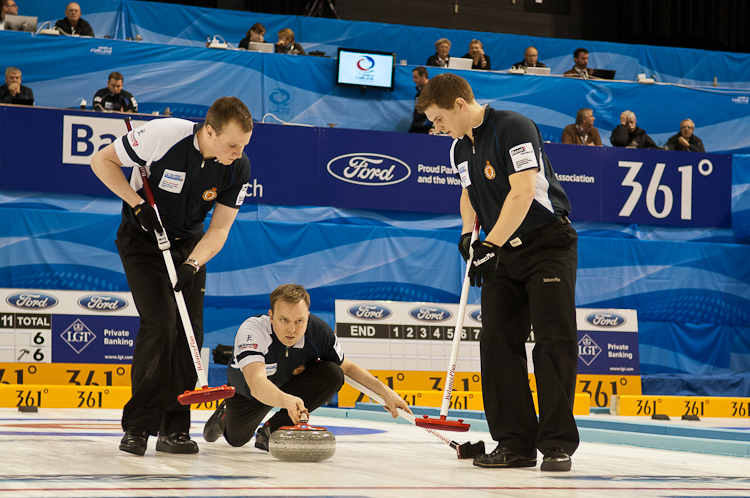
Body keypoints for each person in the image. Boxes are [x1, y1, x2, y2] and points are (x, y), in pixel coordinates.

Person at [416, 73, 579, 472]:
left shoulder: (514, 127)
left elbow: (522, 192)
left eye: (438, 120)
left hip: (546, 244)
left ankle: (556, 444)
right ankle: (515, 444)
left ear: (458, 104)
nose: (436, 129)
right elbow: (469, 192)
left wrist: (491, 244)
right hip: (502, 251)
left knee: (553, 340)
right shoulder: (458, 149)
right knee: (497, 343)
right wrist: (467, 235)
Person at [90, 96, 254, 457]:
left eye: (244, 145)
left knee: (189, 332)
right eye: (231, 144)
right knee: (161, 324)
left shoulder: (237, 167)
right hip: (142, 239)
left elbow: (220, 229)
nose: (238, 152)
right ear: (209, 131)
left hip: (189, 246)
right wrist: (136, 203)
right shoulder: (164, 135)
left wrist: (192, 264)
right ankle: (138, 427)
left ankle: (174, 430)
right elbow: (100, 161)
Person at [203, 284, 412, 450]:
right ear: (271, 316)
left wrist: (387, 394)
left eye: (299, 321)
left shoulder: (319, 332)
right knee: (236, 440)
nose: (292, 329)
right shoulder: (252, 331)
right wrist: (285, 400)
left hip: (288, 385)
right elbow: (257, 383)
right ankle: (223, 416)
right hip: (250, 392)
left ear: (308, 316)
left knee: (333, 372)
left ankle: (272, 432)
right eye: (284, 320)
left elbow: (348, 368)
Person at [408, 66, 432, 133]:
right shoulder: (419, 92)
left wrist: (433, 127)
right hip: (416, 127)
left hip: (425, 129)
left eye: (415, 77)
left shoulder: (432, 92)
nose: (414, 80)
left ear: (423, 76)